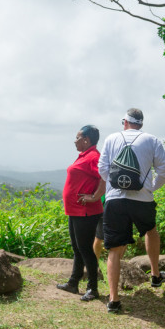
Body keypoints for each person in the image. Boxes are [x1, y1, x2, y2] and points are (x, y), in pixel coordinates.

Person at [97, 108, 165, 314]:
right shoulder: (152, 140)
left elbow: (102, 168)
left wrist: (114, 186)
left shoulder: (112, 138)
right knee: (150, 230)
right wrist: (150, 188)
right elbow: (164, 170)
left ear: (125, 122)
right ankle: (156, 275)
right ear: (141, 124)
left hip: (115, 200)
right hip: (143, 199)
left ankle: (113, 300)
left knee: (114, 249)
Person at [57, 125, 105, 302]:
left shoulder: (94, 156)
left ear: (86, 140)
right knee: (77, 248)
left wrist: (94, 196)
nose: (75, 141)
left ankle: (93, 288)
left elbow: (105, 176)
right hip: (76, 211)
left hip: (86, 211)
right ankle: (73, 282)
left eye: (77, 138)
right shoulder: (85, 155)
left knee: (85, 249)